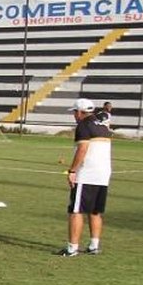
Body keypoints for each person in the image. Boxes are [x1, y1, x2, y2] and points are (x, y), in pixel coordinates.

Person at [58, 98, 113, 257]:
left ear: (80, 112)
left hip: (87, 173)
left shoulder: (83, 125)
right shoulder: (101, 125)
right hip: (103, 173)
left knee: (76, 210)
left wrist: (72, 170)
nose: (74, 115)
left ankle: (72, 248)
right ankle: (94, 245)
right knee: (95, 211)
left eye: (75, 112)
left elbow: (82, 149)